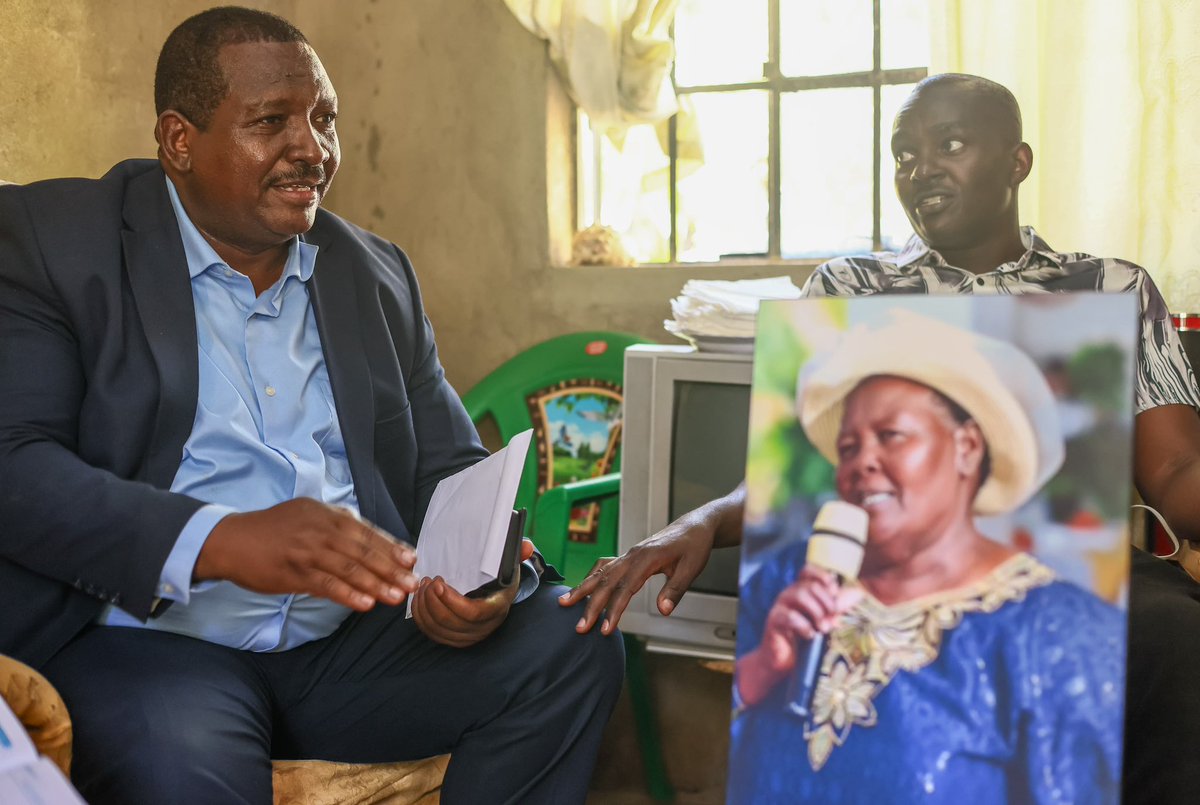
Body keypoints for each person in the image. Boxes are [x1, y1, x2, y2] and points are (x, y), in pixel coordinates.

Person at [0, 7, 622, 805]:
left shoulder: (373, 272)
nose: (313, 150)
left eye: (325, 118)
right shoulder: (57, 245)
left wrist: (481, 578)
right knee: (183, 767)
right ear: (178, 140)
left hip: (349, 644)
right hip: (150, 643)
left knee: (573, 643)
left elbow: (450, 464)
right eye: (273, 121)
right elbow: (17, 467)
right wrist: (221, 540)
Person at [561, 72, 1200, 803]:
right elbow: (791, 468)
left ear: (1017, 162)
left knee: (1175, 637)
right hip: (886, 578)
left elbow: (1177, 463)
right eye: (903, 155)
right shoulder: (850, 289)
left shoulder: (1109, 288)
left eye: (948, 146)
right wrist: (701, 519)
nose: (920, 170)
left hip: (1068, 575)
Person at [727, 310, 1124, 804]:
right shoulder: (787, 580)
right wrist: (764, 666)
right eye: (848, 448)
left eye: (891, 435)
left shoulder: (1057, 632)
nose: (860, 463)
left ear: (967, 447)